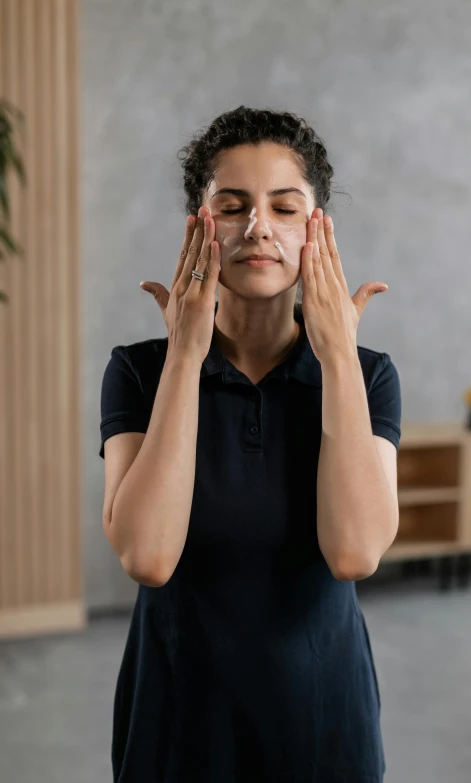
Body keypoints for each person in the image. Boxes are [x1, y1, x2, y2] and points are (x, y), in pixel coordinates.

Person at [99, 106, 402, 783]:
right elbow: (146, 556)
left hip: (324, 727)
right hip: (175, 728)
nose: (258, 228)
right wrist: (185, 354)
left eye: (285, 208)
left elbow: (355, 551)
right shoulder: (139, 369)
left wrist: (339, 360)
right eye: (232, 206)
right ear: (198, 227)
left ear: (316, 229)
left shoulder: (369, 374)